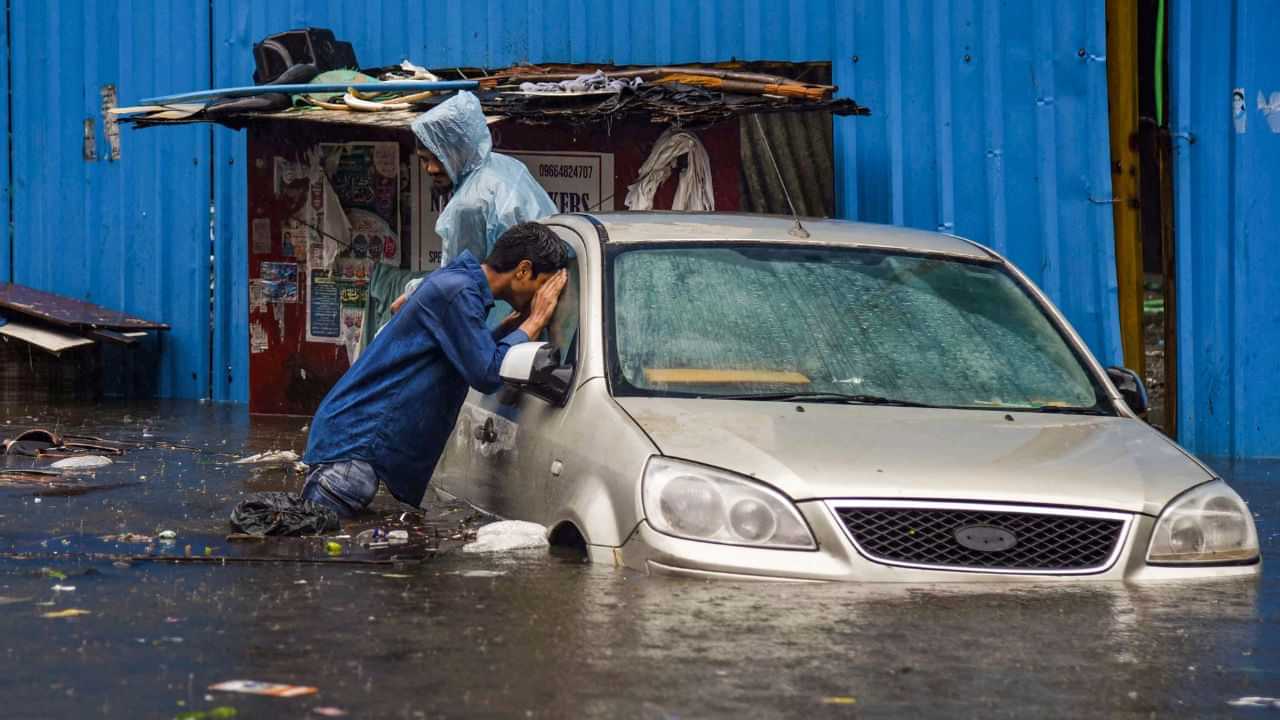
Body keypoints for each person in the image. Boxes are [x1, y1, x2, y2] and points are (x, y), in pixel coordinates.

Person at [301, 222, 569, 517]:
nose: (540, 296)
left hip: (351, 444)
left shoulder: (459, 283)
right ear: (523, 270)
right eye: (542, 285)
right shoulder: (458, 293)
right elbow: (486, 373)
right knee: (325, 554)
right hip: (356, 448)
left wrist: (509, 329)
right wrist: (536, 321)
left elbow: (462, 354)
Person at [389, 90, 557, 315]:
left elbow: (455, 280)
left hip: (505, 313)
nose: (432, 169)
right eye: (423, 160)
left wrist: (414, 292)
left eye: (439, 158)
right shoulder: (507, 165)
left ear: (461, 149)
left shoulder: (469, 205)